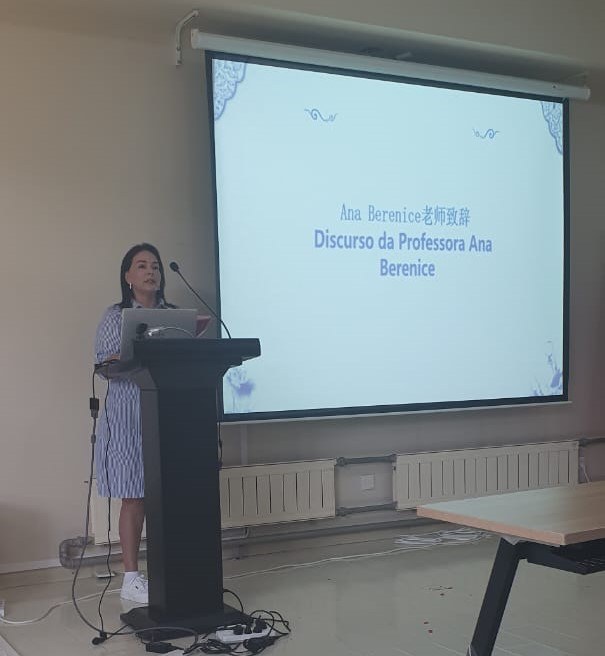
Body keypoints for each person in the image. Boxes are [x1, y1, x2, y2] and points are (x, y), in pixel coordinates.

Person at [94, 243, 174, 604]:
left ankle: (169, 568)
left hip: (166, 411)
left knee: (168, 494)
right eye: (142, 265)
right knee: (134, 496)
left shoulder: (173, 315)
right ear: (127, 276)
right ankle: (130, 578)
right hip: (128, 416)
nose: (150, 272)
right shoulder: (116, 316)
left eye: (155, 266)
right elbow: (103, 366)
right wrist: (120, 358)